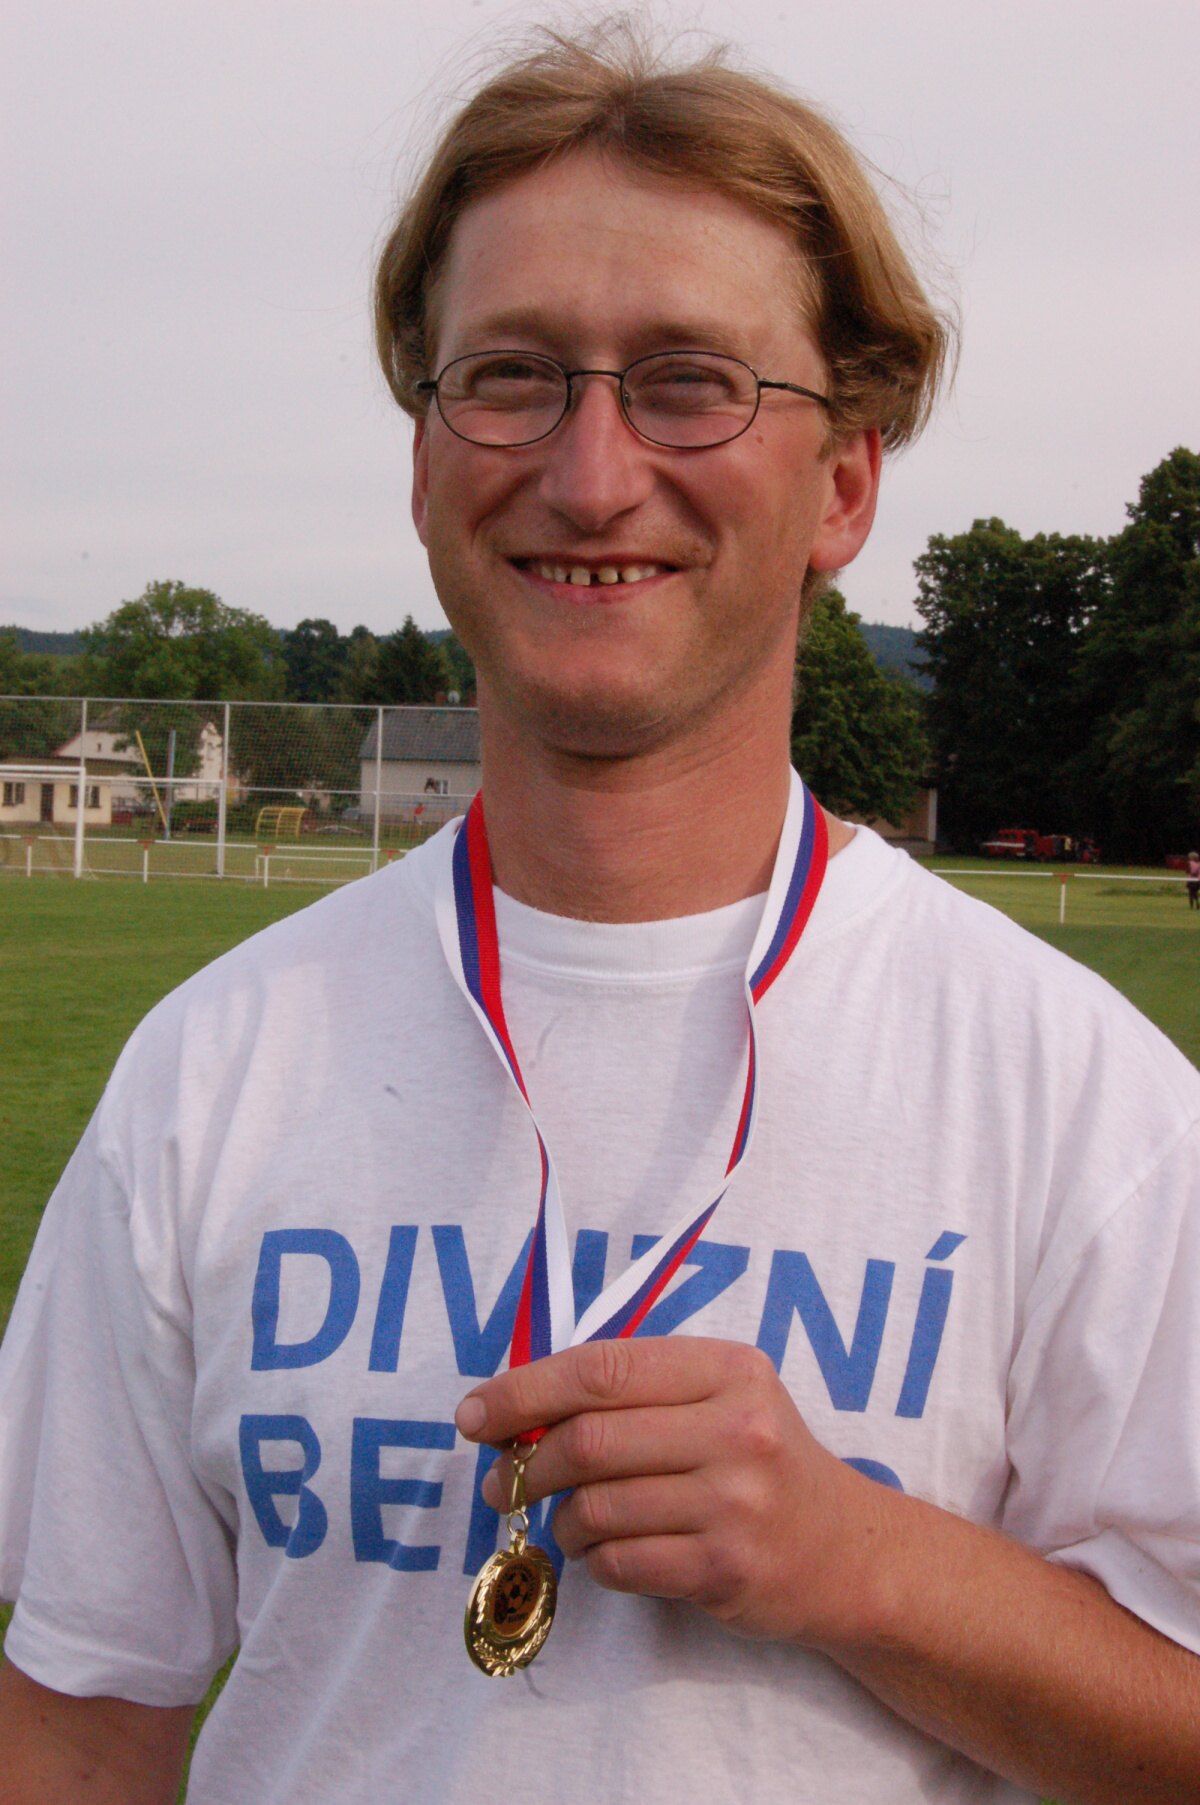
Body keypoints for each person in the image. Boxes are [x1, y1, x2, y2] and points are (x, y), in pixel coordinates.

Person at [2, 25, 1199, 1805]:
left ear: (843, 485)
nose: (588, 473)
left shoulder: (1079, 1100)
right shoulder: (211, 1074)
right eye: (511, 377)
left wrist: (866, 1564)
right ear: (425, 466)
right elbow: (78, 1721)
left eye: (690, 383)